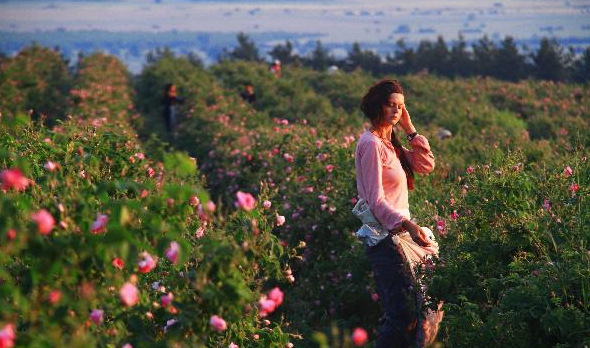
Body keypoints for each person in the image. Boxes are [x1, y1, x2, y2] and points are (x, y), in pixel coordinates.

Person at [354, 79, 436, 347]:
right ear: (378, 107)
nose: (396, 111)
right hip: (385, 239)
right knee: (401, 315)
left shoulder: (392, 145)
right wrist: (407, 224)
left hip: (400, 236)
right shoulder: (371, 144)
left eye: (400, 107)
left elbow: (426, 165)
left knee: (413, 314)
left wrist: (410, 129)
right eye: (390, 105)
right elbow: (375, 200)